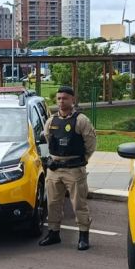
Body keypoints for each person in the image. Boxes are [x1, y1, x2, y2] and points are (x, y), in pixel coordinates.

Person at [39, 85, 97, 251]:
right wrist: (48, 160)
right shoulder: (51, 122)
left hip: (74, 169)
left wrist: (82, 160)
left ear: (73, 100)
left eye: (65, 98)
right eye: (58, 98)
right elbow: (47, 142)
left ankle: (83, 236)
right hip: (55, 169)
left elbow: (91, 143)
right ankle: (53, 233)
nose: (61, 101)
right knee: (53, 203)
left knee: (79, 204)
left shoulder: (81, 120)